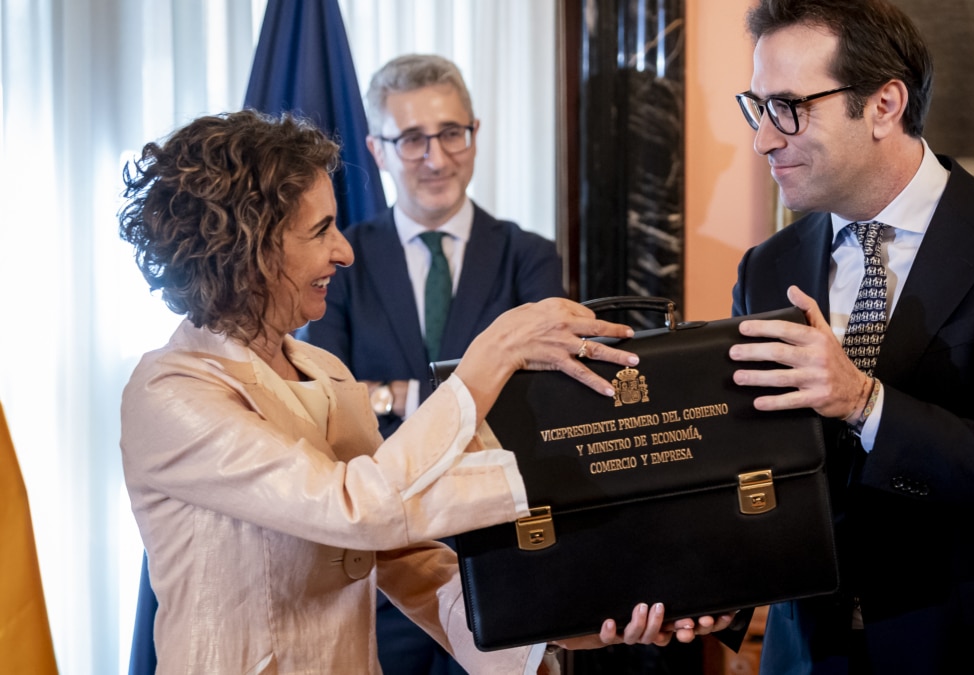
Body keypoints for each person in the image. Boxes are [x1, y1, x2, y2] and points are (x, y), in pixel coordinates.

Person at [117, 109, 716, 674]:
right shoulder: (171, 391)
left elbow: (412, 562)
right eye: (321, 230)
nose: (344, 251)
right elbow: (356, 511)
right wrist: (491, 356)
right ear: (251, 248)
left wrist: (564, 620)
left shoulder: (325, 371)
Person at [725, 1, 974, 673]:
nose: (763, 139)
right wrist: (702, 592)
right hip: (813, 654)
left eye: (787, 108)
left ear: (884, 105)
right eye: (757, 107)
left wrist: (862, 401)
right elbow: (757, 474)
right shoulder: (768, 266)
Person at [295, 53, 566, 673]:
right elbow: (328, 407)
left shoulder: (530, 257)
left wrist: (394, 395)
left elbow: (540, 404)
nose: (436, 158)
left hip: (504, 555)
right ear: (378, 149)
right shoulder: (337, 261)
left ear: (476, 133)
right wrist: (466, 391)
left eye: (451, 133)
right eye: (412, 139)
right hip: (382, 567)